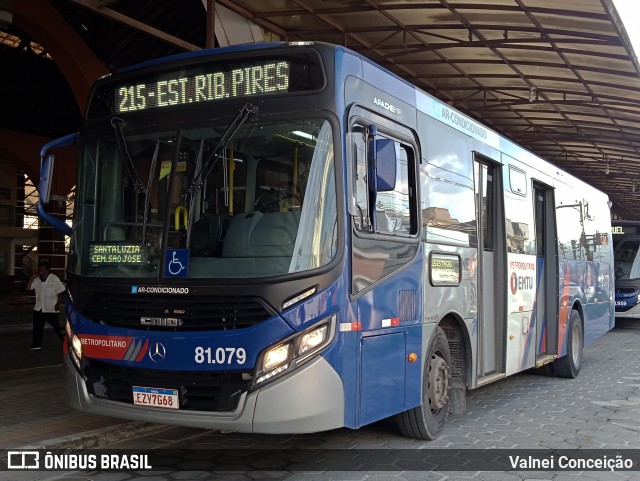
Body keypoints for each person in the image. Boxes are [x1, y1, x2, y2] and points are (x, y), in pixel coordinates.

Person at [26, 260, 66, 350]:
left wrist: (58, 303)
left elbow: (60, 291)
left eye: (44, 269)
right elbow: (28, 288)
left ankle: (66, 341)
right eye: (40, 269)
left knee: (57, 327)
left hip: (51, 308)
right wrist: (32, 277)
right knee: (37, 328)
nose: (42, 271)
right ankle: (36, 344)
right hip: (39, 308)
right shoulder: (36, 280)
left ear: (48, 270)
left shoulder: (54, 278)